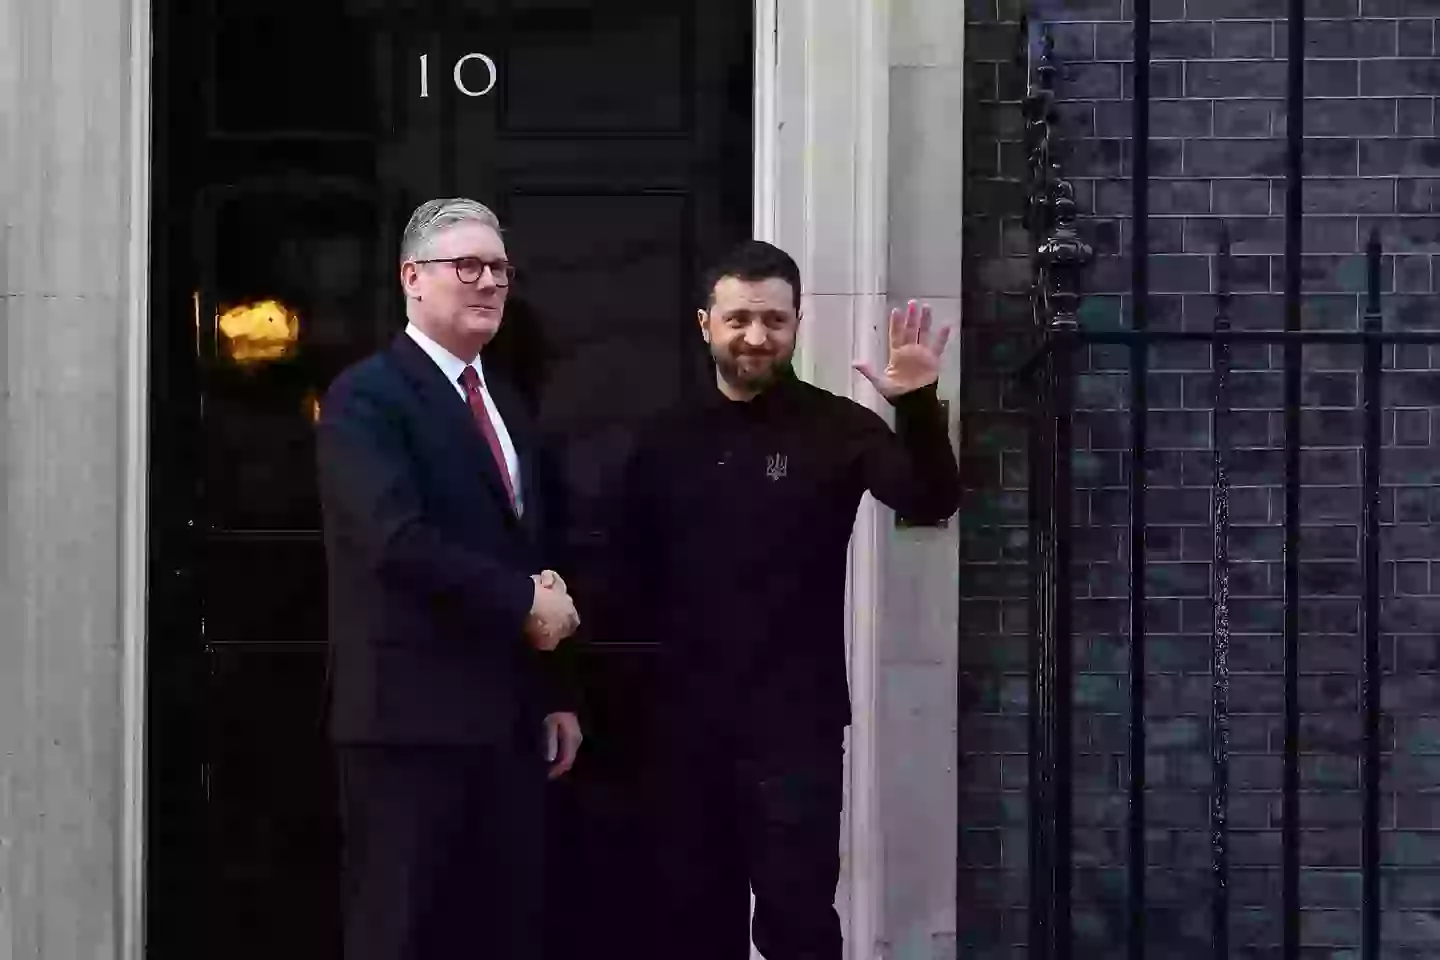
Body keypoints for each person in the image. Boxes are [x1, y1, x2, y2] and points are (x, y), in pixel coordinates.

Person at [605, 240, 960, 960]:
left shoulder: (837, 428)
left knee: (798, 922)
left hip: (795, 725)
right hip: (681, 727)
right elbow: (624, 578)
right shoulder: (661, 440)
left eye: (774, 320)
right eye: (739, 319)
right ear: (706, 323)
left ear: (797, 325)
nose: (757, 337)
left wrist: (917, 405)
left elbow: (929, 497)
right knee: (687, 919)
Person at [315, 197, 584, 960]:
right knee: (400, 932)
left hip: (506, 724)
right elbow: (393, 541)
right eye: (466, 265)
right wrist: (522, 603)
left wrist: (557, 690)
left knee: (500, 932)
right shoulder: (365, 398)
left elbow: (531, 548)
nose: (489, 282)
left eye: (498, 268)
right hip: (406, 727)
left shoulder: (503, 399)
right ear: (412, 277)